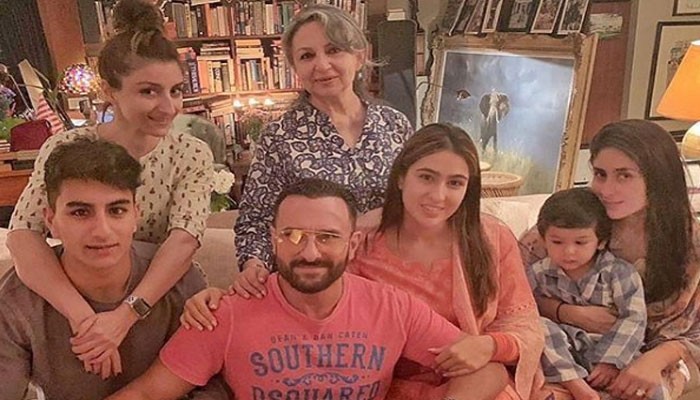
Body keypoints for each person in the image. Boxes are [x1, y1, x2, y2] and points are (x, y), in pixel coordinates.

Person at [186, 124, 545, 400]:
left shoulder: (490, 238)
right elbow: (306, 294)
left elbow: (524, 324)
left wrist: (489, 346)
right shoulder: (361, 239)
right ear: (401, 176)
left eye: (455, 183)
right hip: (383, 384)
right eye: (426, 177)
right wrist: (219, 298)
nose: (438, 195)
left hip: (472, 378)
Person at [107, 178, 508, 400]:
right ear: (273, 239)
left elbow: (488, 370)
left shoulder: (392, 307)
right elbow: (146, 393)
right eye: (293, 235)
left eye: (327, 237)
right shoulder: (226, 312)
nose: (310, 252)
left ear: (353, 243)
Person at [6, 0, 213, 379]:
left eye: (175, 91)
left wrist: (125, 316)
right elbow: (23, 235)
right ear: (109, 91)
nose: (168, 106)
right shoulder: (66, 146)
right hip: (76, 294)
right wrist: (86, 319)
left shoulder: (190, 153)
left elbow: (184, 240)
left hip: (158, 301)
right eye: (149, 91)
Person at [0, 138, 228, 399]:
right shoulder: (17, 300)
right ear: (51, 221)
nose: (102, 231)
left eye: (117, 210)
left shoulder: (182, 282)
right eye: (80, 213)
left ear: (136, 215)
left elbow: (215, 385)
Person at [521, 120, 700, 399]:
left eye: (624, 176)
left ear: (657, 177)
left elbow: (693, 332)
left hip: (660, 355)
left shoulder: (690, 241)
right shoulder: (570, 225)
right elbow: (512, 298)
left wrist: (655, 359)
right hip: (564, 350)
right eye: (600, 174)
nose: (606, 189)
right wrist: (565, 312)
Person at [234, 4, 414, 281]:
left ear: (359, 56)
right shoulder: (279, 136)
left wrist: (382, 214)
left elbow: (420, 199)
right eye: (307, 56)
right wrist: (254, 265)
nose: (321, 65)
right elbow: (255, 221)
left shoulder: (394, 124)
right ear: (296, 68)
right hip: (316, 279)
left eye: (333, 50)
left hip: (395, 275)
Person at [527, 188, 649, 400]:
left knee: (647, 387)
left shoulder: (619, 273)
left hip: (611, 349)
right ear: (544, 240)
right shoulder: (538, 273)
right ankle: (576, 386)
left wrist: (611, 361)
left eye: (580, 242)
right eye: (557, 242)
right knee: (537, 326)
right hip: (562, 353)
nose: (569, 251)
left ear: (600, 241)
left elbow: (634, 318)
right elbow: (521, 308)